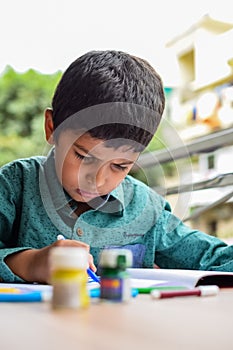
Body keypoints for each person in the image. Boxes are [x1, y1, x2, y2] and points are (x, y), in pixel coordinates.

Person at [1, 50, 233, 284]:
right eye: (83, 157)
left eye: (120, 166)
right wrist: (30, 263)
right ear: (52, 128)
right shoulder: (14, 186)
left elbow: (214, 258)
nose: (97, 180)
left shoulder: (147, 210)